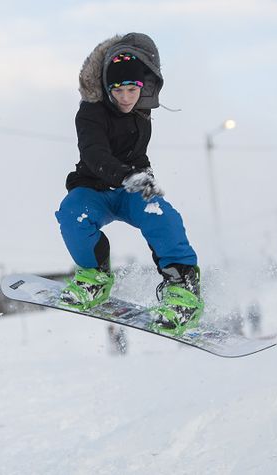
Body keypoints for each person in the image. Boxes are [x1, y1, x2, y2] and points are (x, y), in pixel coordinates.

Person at [55, 33, 202, 334]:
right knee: (72, 213)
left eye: (132, 89)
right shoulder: (90, 112)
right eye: (117, 90)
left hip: (132, 188)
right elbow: (94, 153)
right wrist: (125, 176)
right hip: (95, 187)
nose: (125, 97)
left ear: (142, 86)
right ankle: (95, 277)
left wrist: (142, 177)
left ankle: (182, 288)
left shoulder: (142, 108)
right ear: (107, 88)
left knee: (161, 215)